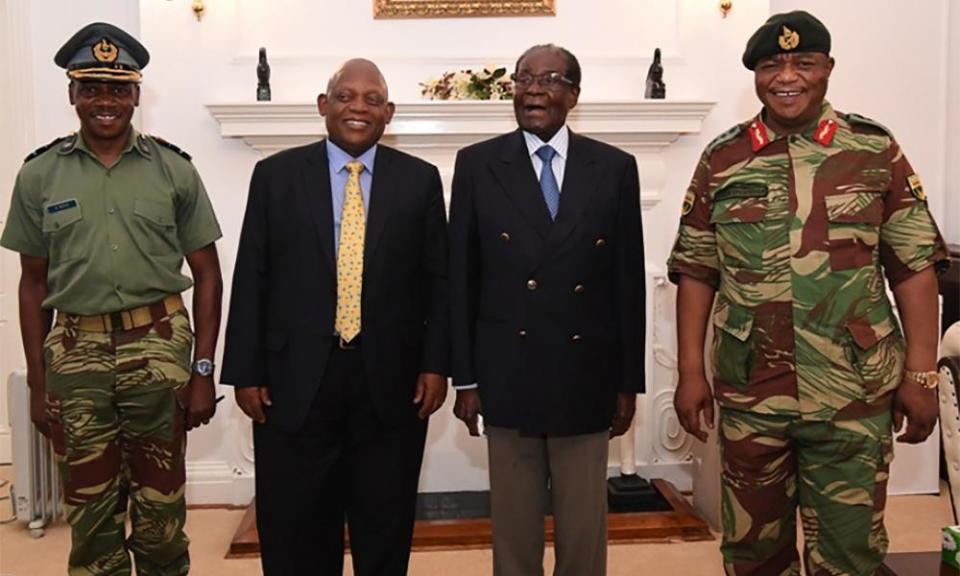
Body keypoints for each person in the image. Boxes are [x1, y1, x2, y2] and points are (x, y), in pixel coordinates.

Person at [668, 10, 950, 575]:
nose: (786, 76)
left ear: (828, 68)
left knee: (849, 557)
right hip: (752, 392)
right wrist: (691, 374)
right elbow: (698, 271)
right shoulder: (723, 158)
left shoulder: (873, 149)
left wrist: (922, 376)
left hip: (854, 389)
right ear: (755, 74)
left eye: (803, 62)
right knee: (752, 555)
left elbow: (915, 268)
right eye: (771, 65)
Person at [1, 22, 223, 575]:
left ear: (136, 96)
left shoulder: (174, 169)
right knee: (90, 512)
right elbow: (33, 284)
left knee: (162, 510)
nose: (106, 101)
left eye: (119, 89)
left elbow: (209, 275)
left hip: (160, 349)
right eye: (93, 88)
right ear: (72, 94)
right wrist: (38, 379)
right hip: (75, 355)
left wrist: (202, 370)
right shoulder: (39, 175)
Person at [221, 59, 449, 576]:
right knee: (296, 526)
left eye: (372, 99)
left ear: (388, 113)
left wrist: (437, 365)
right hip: (293, 380)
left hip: (390, 383)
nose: (358, 107)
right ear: (324, 106)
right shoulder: (275, 176)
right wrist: (246, 371)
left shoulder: (420, 181)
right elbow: (252, 274)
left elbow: (438, 282)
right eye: (346, 96)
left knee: (384, 524)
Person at [449, 44, 645, 576]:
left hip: (587, 374)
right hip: (506, 372)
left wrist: (628, 383)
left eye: (550, 78)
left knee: (583, 532)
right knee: (514, 532)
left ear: (573, 95)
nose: (534, 88)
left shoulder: (614, 167)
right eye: (524, 78)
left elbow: (628, 284)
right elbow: (461, 280)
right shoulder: (477, 164)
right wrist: (464, 380)